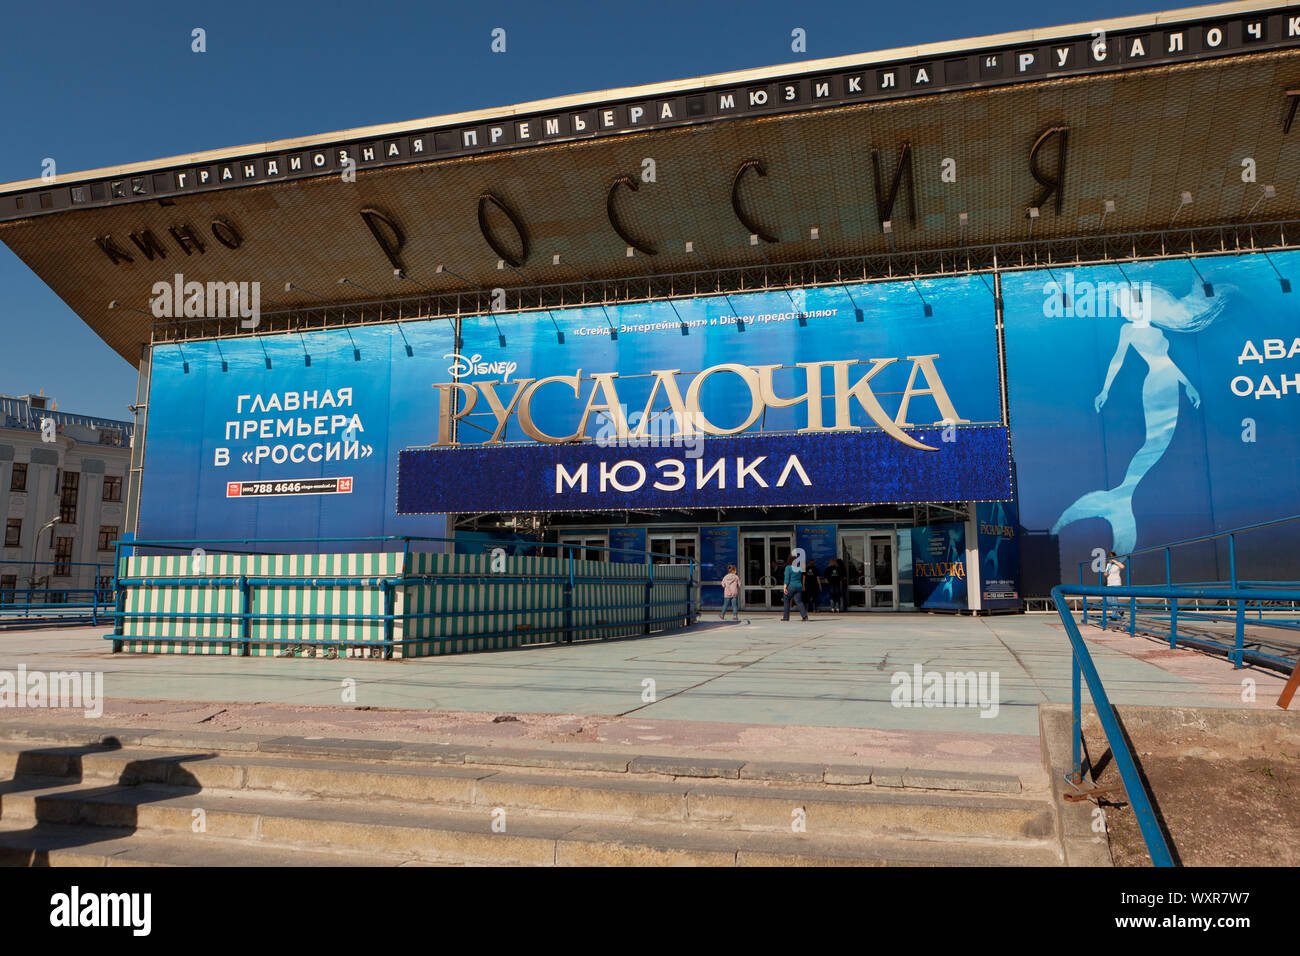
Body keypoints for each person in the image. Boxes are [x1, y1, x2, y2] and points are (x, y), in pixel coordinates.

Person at [781, 556, 808, 622]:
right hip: (799, 586)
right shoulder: (799, 568)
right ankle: (805, 616)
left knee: (786, 599)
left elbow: (787, 578)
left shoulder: (788, 568)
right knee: (799, 601)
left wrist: (784, 587)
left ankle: (786, 617)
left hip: (791, 586)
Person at [1104, 551, 1126, 621]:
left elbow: (1123, 566)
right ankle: (1120, 610)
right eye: (1109, 557)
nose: (1110, 558)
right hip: (1109, 584)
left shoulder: (1117, 564)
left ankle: (1114, 617)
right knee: (1108, 600)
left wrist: (1114, 561)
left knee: (1114, 601)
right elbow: (1106, 574)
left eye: (1111, 557)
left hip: (1116, 583)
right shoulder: (1108, 565)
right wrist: (1106, 572)